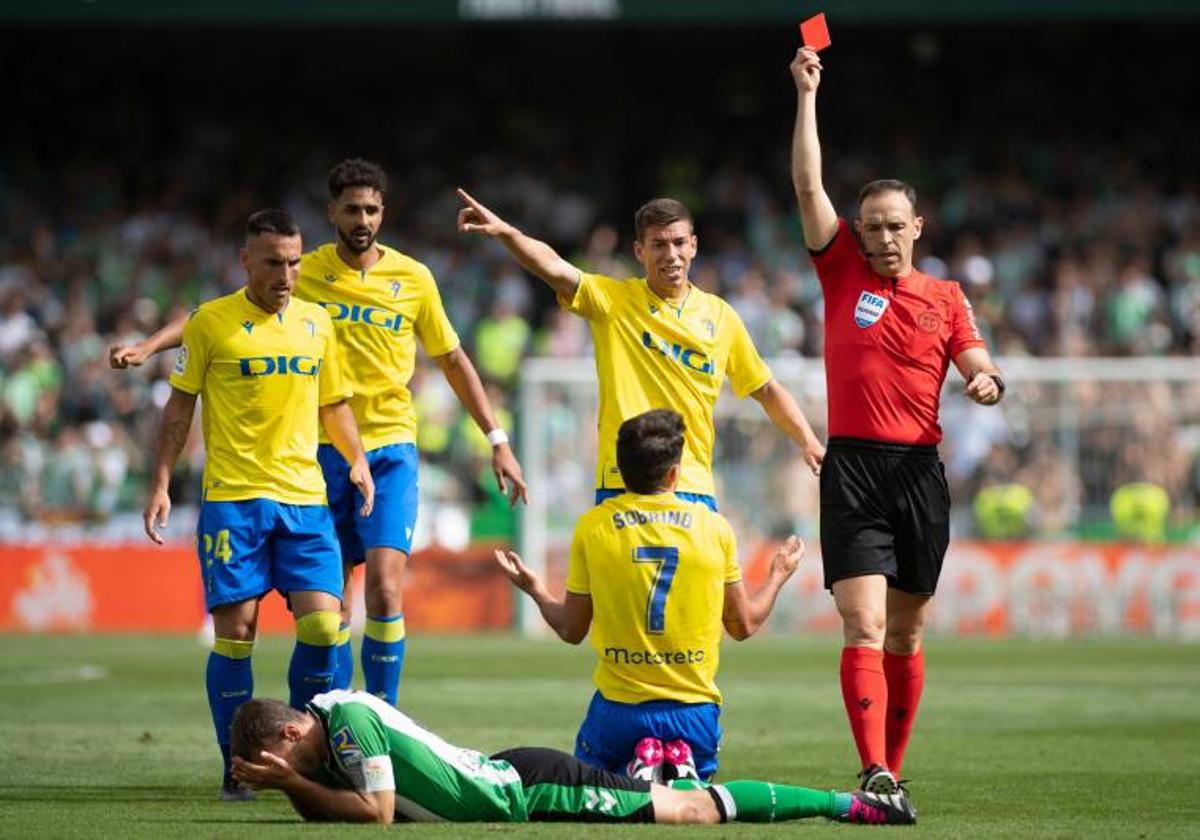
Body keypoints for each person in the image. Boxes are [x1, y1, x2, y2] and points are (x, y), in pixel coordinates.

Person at [114, 159, 527, 707]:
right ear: (332, 211)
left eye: (373, 209)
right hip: (317, 457)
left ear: (384, 213)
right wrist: (147, 347)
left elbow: (453, 360)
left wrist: (497, 439)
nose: (363, 219)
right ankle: (319, 722)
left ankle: (382, 722)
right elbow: (207, 317)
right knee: (328, 612)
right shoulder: (298, 269)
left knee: (384, 587)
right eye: (352, 208)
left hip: (389, 450)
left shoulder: (414, 279)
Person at [789, 47, 1006, 794]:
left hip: (918, 473)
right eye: (871, 226)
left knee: (907, 634)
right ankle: (874, 768)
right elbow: (808, 182)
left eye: (894, 226)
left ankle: (895, 771)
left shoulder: (944, 296)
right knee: (865, 627)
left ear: (918, 226)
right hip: (852, 468)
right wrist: (807, 94)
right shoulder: (839, 265)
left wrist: (985, 382)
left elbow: (975, 357)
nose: (882, 238)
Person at [143, 209, 375, 800]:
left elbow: (336, 404)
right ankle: (237, 767)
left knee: (326, 628)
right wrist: (162, 481)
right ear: (245, 261)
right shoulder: (210, 324)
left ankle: (303, 758)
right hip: (234, 501)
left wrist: (358, 459)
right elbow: (179, 408)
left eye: (295, 262)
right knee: (237, 633)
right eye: (274, 262)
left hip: (305, 501)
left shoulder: (318, 324)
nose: (287, 274)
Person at [457, 189, 824, 513]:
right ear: (639, 251)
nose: (672, 254)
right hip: (623, 481)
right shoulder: (614, 301)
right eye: (659, 245)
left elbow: (765, 388)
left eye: (679, 243)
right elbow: (553, 266)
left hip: (690, 482)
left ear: (694, 246)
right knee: (619, 594)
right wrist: (506, 232)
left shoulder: (721, 317)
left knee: (696, 593)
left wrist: (807, 440)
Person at [496, 409, 803, 783]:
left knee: (595, 789)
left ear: (620, 469)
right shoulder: (714, 528)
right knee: (694, 799)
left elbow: (571, 629)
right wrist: (777, 575)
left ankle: (638, 766)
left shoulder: (593, 527)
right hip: (694, 712)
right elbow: (744, 624)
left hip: (619, 712)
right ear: (675, 472)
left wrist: (536, 590)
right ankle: (676, 762)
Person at [228, 690, 917, 825]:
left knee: (693, 813)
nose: (298, 773)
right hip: (511, 776)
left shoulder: (345, 722)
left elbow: (374, 815)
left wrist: (290, 783)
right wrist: (295, 784)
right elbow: (334, 812)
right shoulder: (332, 732)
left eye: (285, 761)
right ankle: (653, 769)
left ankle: (859, 806)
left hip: (531, 791)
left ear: (290, 736)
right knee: (659, 796)